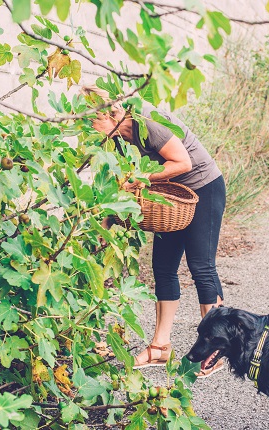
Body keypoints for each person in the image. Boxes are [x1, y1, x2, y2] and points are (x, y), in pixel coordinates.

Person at [81, 85, 226, 377]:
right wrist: (104, 226)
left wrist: (142, 178)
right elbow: (122, 181)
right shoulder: (117, 139)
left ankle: (217, 349)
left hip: (204, 187)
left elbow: (182, 161)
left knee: (201, 266)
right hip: (171, 196)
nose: (90, 125)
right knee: (162, 267)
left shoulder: (149, 121)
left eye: (94, 119)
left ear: (113, 113)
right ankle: (161, 347)